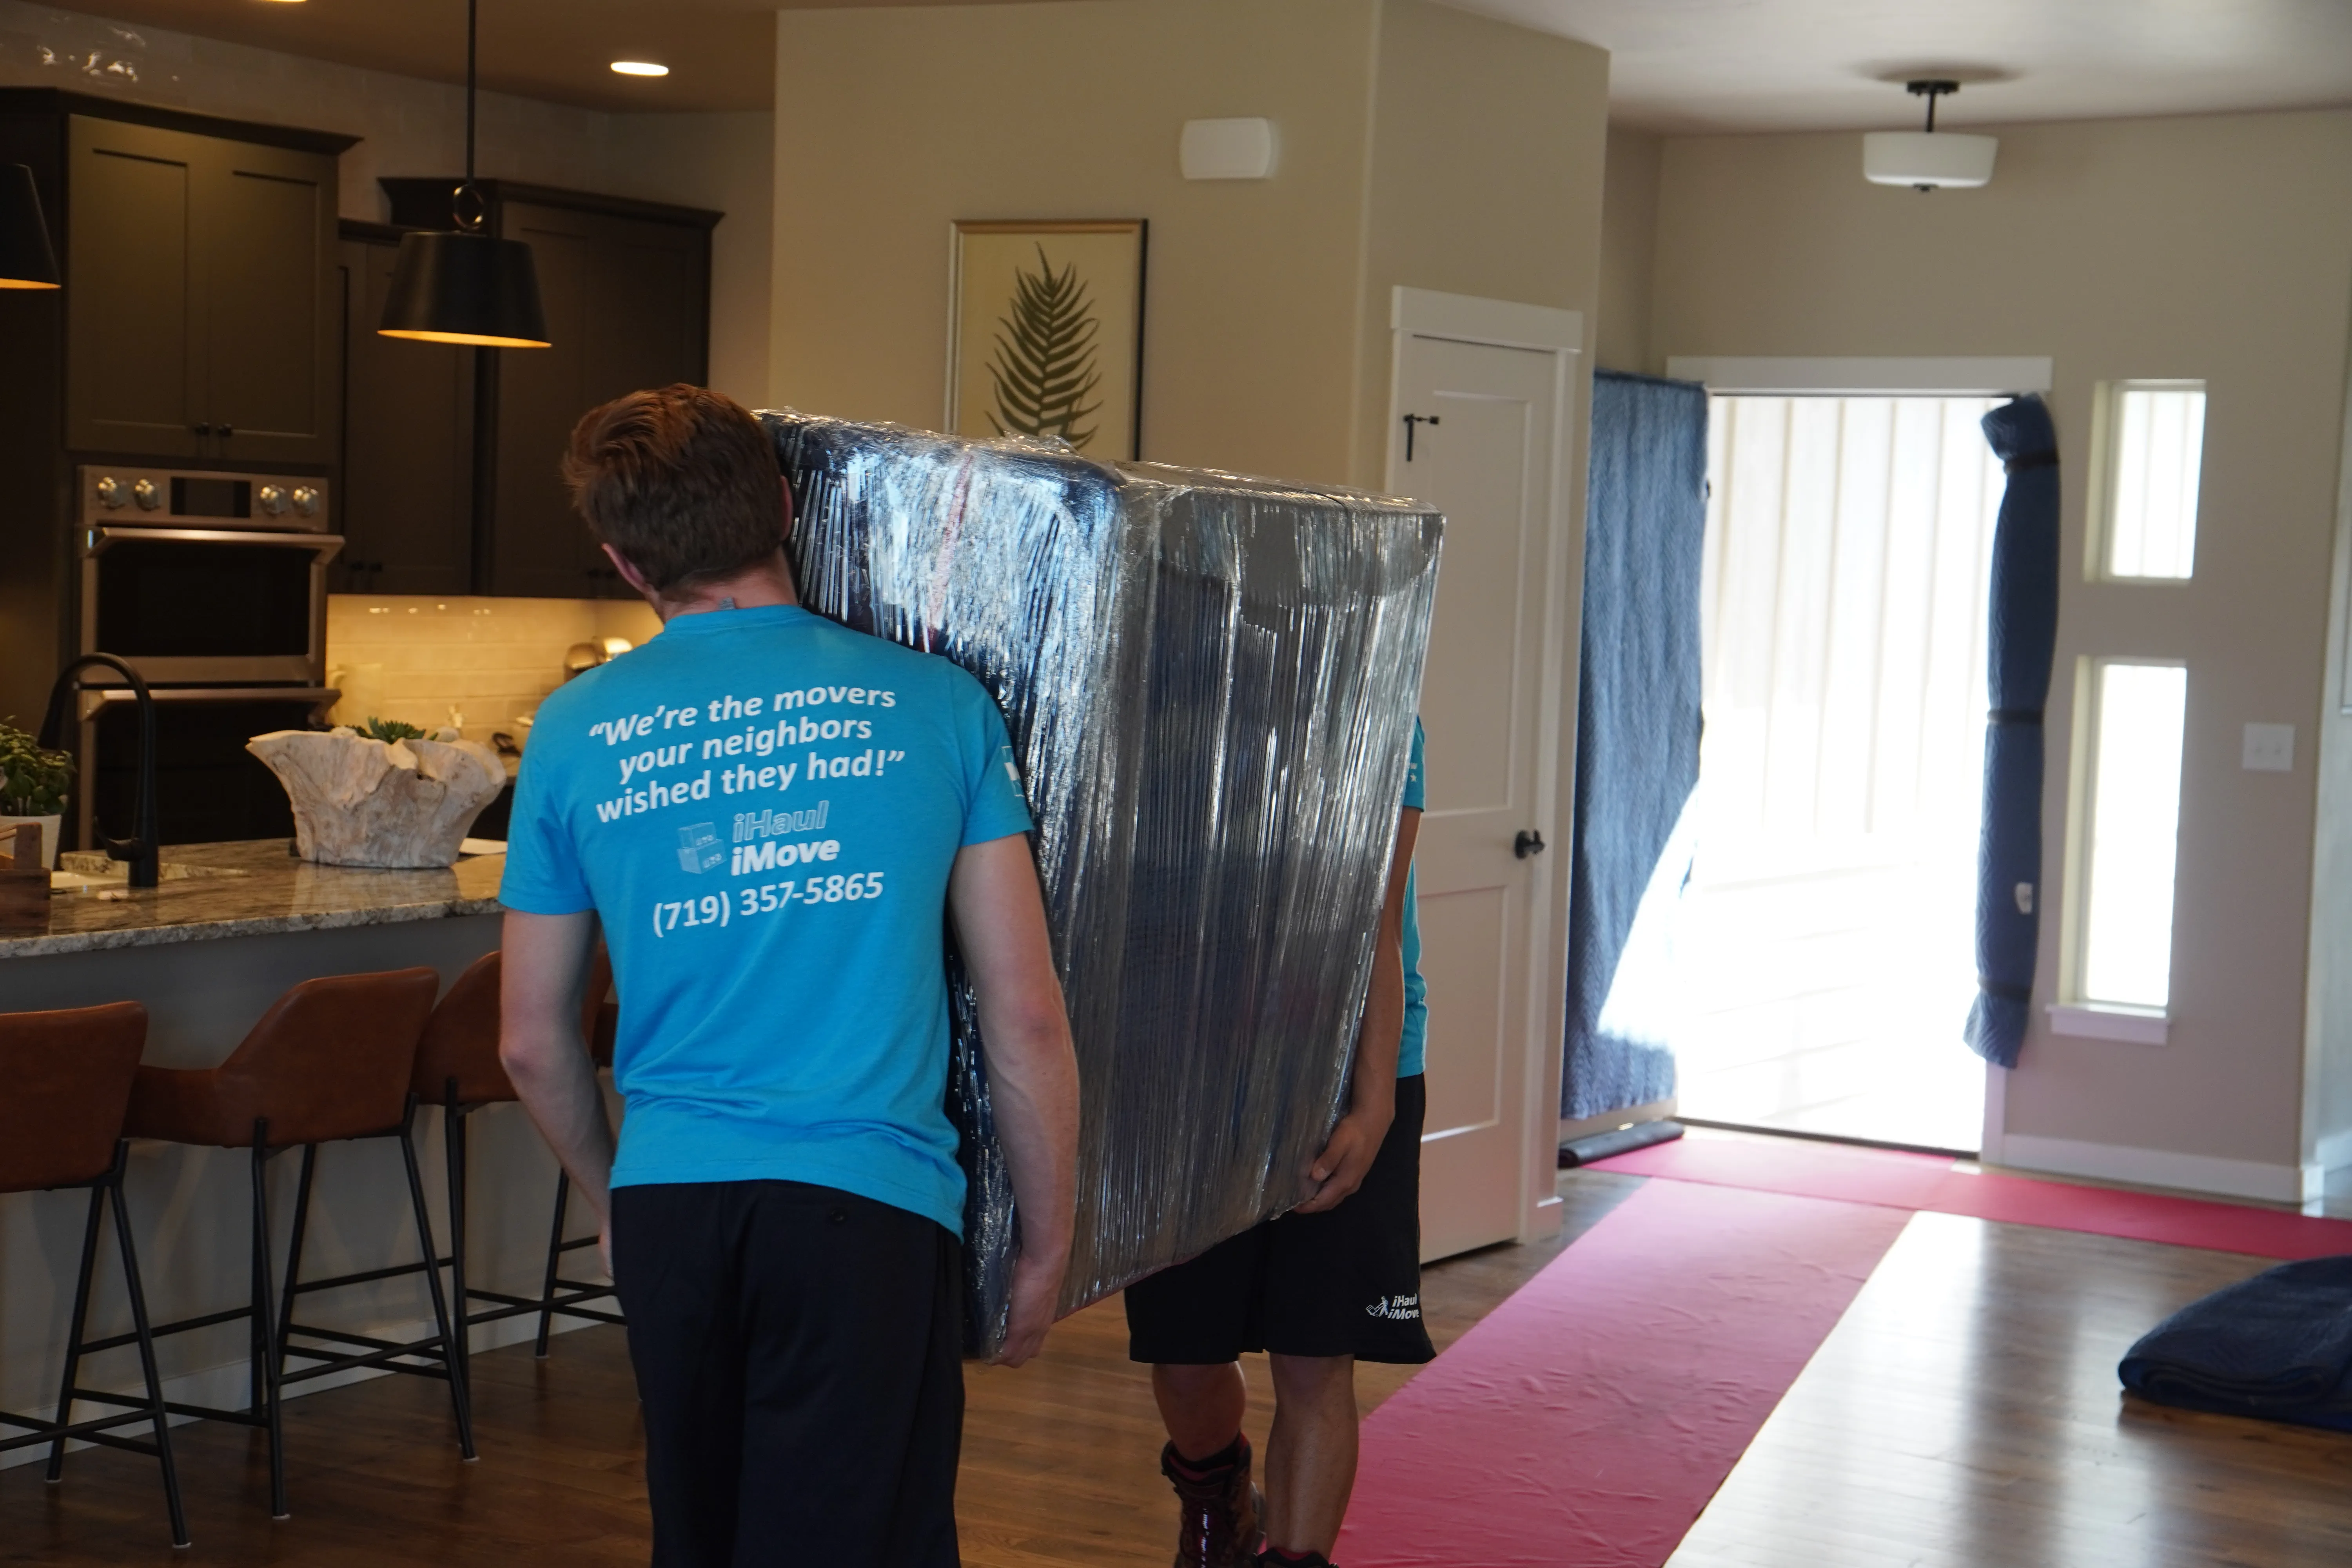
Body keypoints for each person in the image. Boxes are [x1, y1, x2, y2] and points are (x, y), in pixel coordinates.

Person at [497, 383, 1080, 1568]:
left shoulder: (572, 729)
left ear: (622, 562)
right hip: (865, 1210)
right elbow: (1024, 1012)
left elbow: (530, 1040)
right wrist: (1047, 1242)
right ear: (781, 502)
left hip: (671, 1206)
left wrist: (619, 1198)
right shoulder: (937, 707)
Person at [1123, 719, 1432, 1568]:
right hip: (1183, 1073)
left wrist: (1372, 1108)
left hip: (1344, 1067)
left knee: (1315, 1351)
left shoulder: (1378, 697)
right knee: (1184, 1356)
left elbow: (1375, 921)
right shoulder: (1172, 685)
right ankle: (1216, 1487)